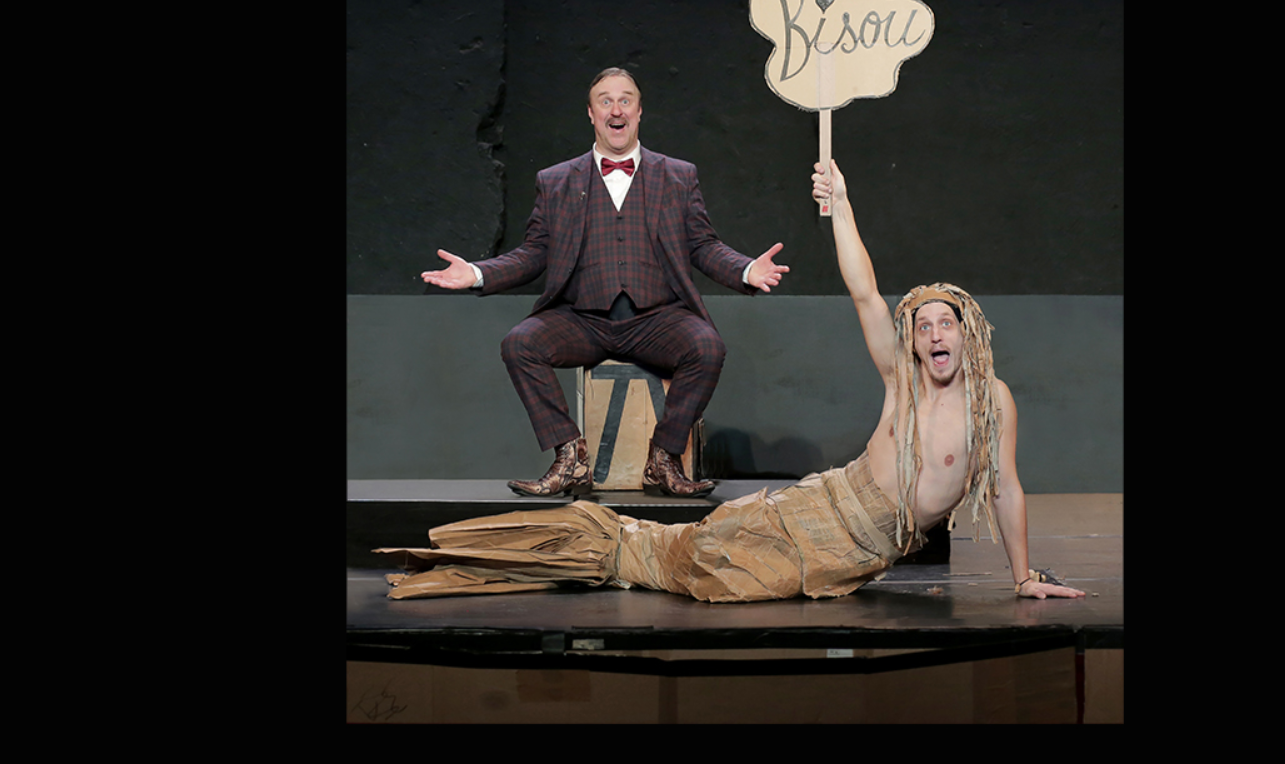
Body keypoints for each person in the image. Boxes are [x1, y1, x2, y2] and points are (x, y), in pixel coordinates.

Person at [378, 158, 1084, 602]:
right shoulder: (904, 378)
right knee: (697, 560)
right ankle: (576, 545)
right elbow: (866, 293)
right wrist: (841, 205)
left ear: (968, 333)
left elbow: (1004, 487)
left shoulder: (991, 403)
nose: (933, 335)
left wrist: (1023, 576)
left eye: (944, 324)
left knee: (717, 571)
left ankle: (604, 546)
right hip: (829, 510)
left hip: (863, 552)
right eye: (922, 325)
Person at [421, 67, 790, 498]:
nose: (617, 110)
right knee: (520, 343)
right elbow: (535, 252)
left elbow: (703, 245)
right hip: (583, 320)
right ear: (591, 113)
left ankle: (664, 458)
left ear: (639, 111)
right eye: (606, 101)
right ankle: (570, 457)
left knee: (707, 347)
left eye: (625, 100)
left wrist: (746, 270)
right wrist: (478, 273)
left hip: (656, 319)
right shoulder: (556, 181)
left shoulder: (678, 175)